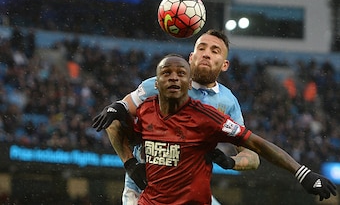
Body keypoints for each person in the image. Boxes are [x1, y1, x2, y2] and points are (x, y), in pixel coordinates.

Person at [128, 54, 337, 204]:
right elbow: (115, 127)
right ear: (156, 83)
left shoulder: (208, 117)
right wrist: (130, 163)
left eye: (181, 73)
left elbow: (256, 144)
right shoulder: (144, 110)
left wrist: (302, 173)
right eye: (166, 73)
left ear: (189, 82)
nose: (174, 77)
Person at [92, 29, 260, 204]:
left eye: (214, 51)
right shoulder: (157, 85)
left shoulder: (228, 102)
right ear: (191, 57)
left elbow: (252, 156)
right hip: (147, 188)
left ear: (224, 65)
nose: (206, 54)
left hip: (190, 191)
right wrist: (130, 164)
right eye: (201, 48)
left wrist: (230, 162)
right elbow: (115, 117)